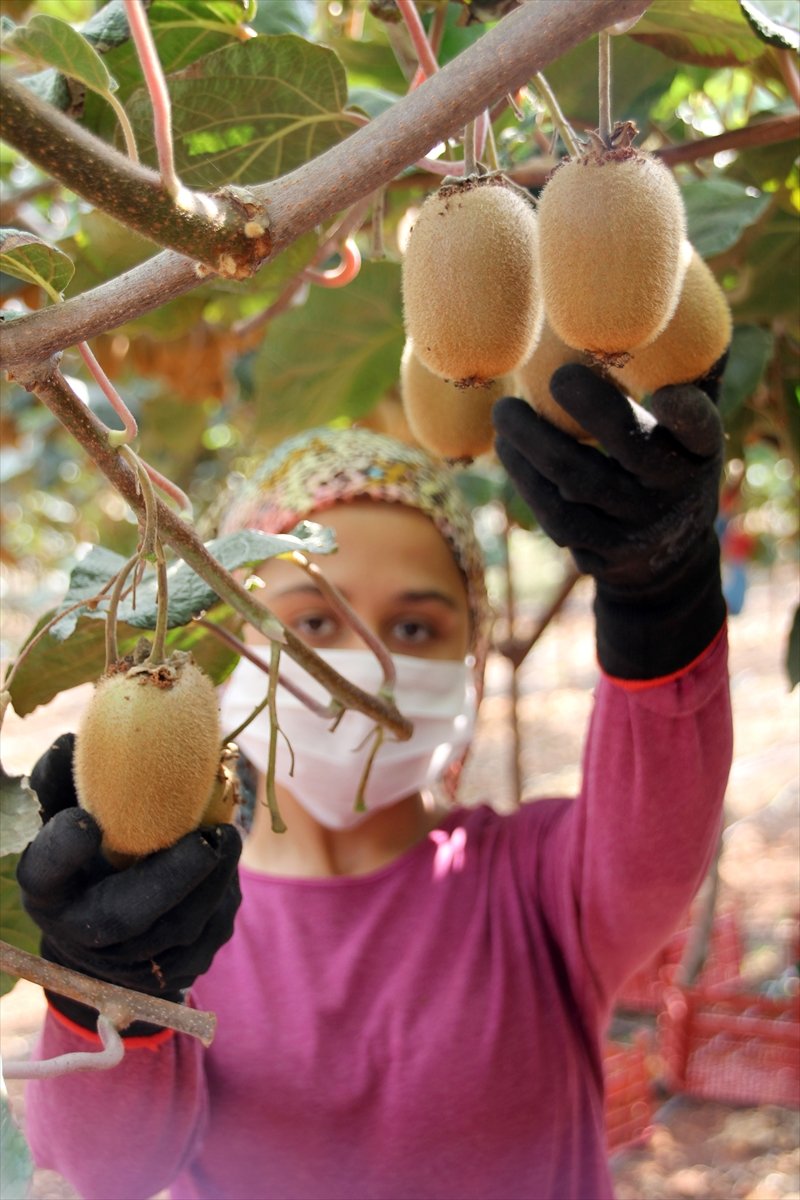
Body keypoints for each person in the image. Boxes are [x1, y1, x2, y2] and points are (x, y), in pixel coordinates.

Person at [16, 363, 733, 1200]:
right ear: (227, 646)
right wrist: (101, 987)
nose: (367, 662)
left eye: (415, 625)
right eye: (314, 621)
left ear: (470, 656)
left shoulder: (538, 886)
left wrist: (661, 606)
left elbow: (659, 835)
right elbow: (101, 1175)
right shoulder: (173, 928)